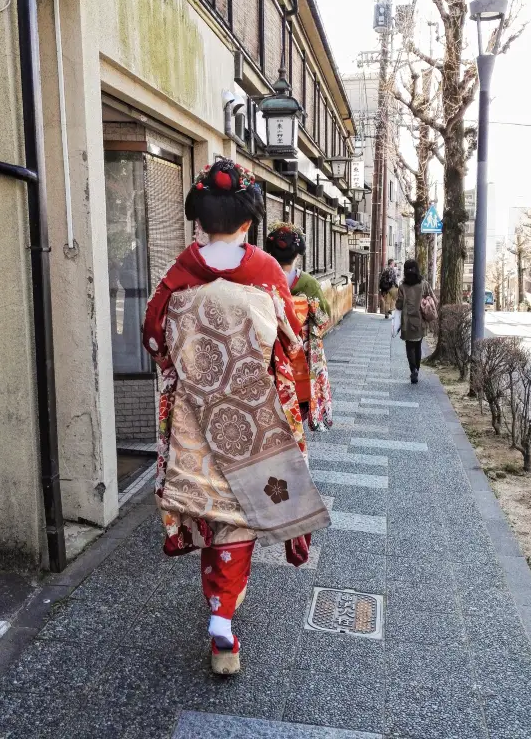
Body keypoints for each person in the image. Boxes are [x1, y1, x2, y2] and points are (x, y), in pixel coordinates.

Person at [142, 159, 330, 675]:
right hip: (251, 416)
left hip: (196, 417)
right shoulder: (267, 273)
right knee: (241, 516)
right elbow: (290, 340)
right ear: (249, 223)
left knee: (211, 513)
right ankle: (223, 620)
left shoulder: (179, 272)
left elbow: (154, 337)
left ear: (198, 220)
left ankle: (219, 608)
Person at [265, 221, 333, 431]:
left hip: (271, 348)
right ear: (298, 255)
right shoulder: (309, 284)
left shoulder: (264, 280)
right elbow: (323, 320)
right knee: (300, 395)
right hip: (301, 349)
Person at [395, 259, 437, 384]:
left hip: (407, 320)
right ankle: (417, 370)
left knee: (409, 347)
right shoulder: (423, 284)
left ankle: (413, 369)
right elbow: (432, 297)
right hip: (420, 319)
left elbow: (399, 304)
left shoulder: (402, 287)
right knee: (418, 345)